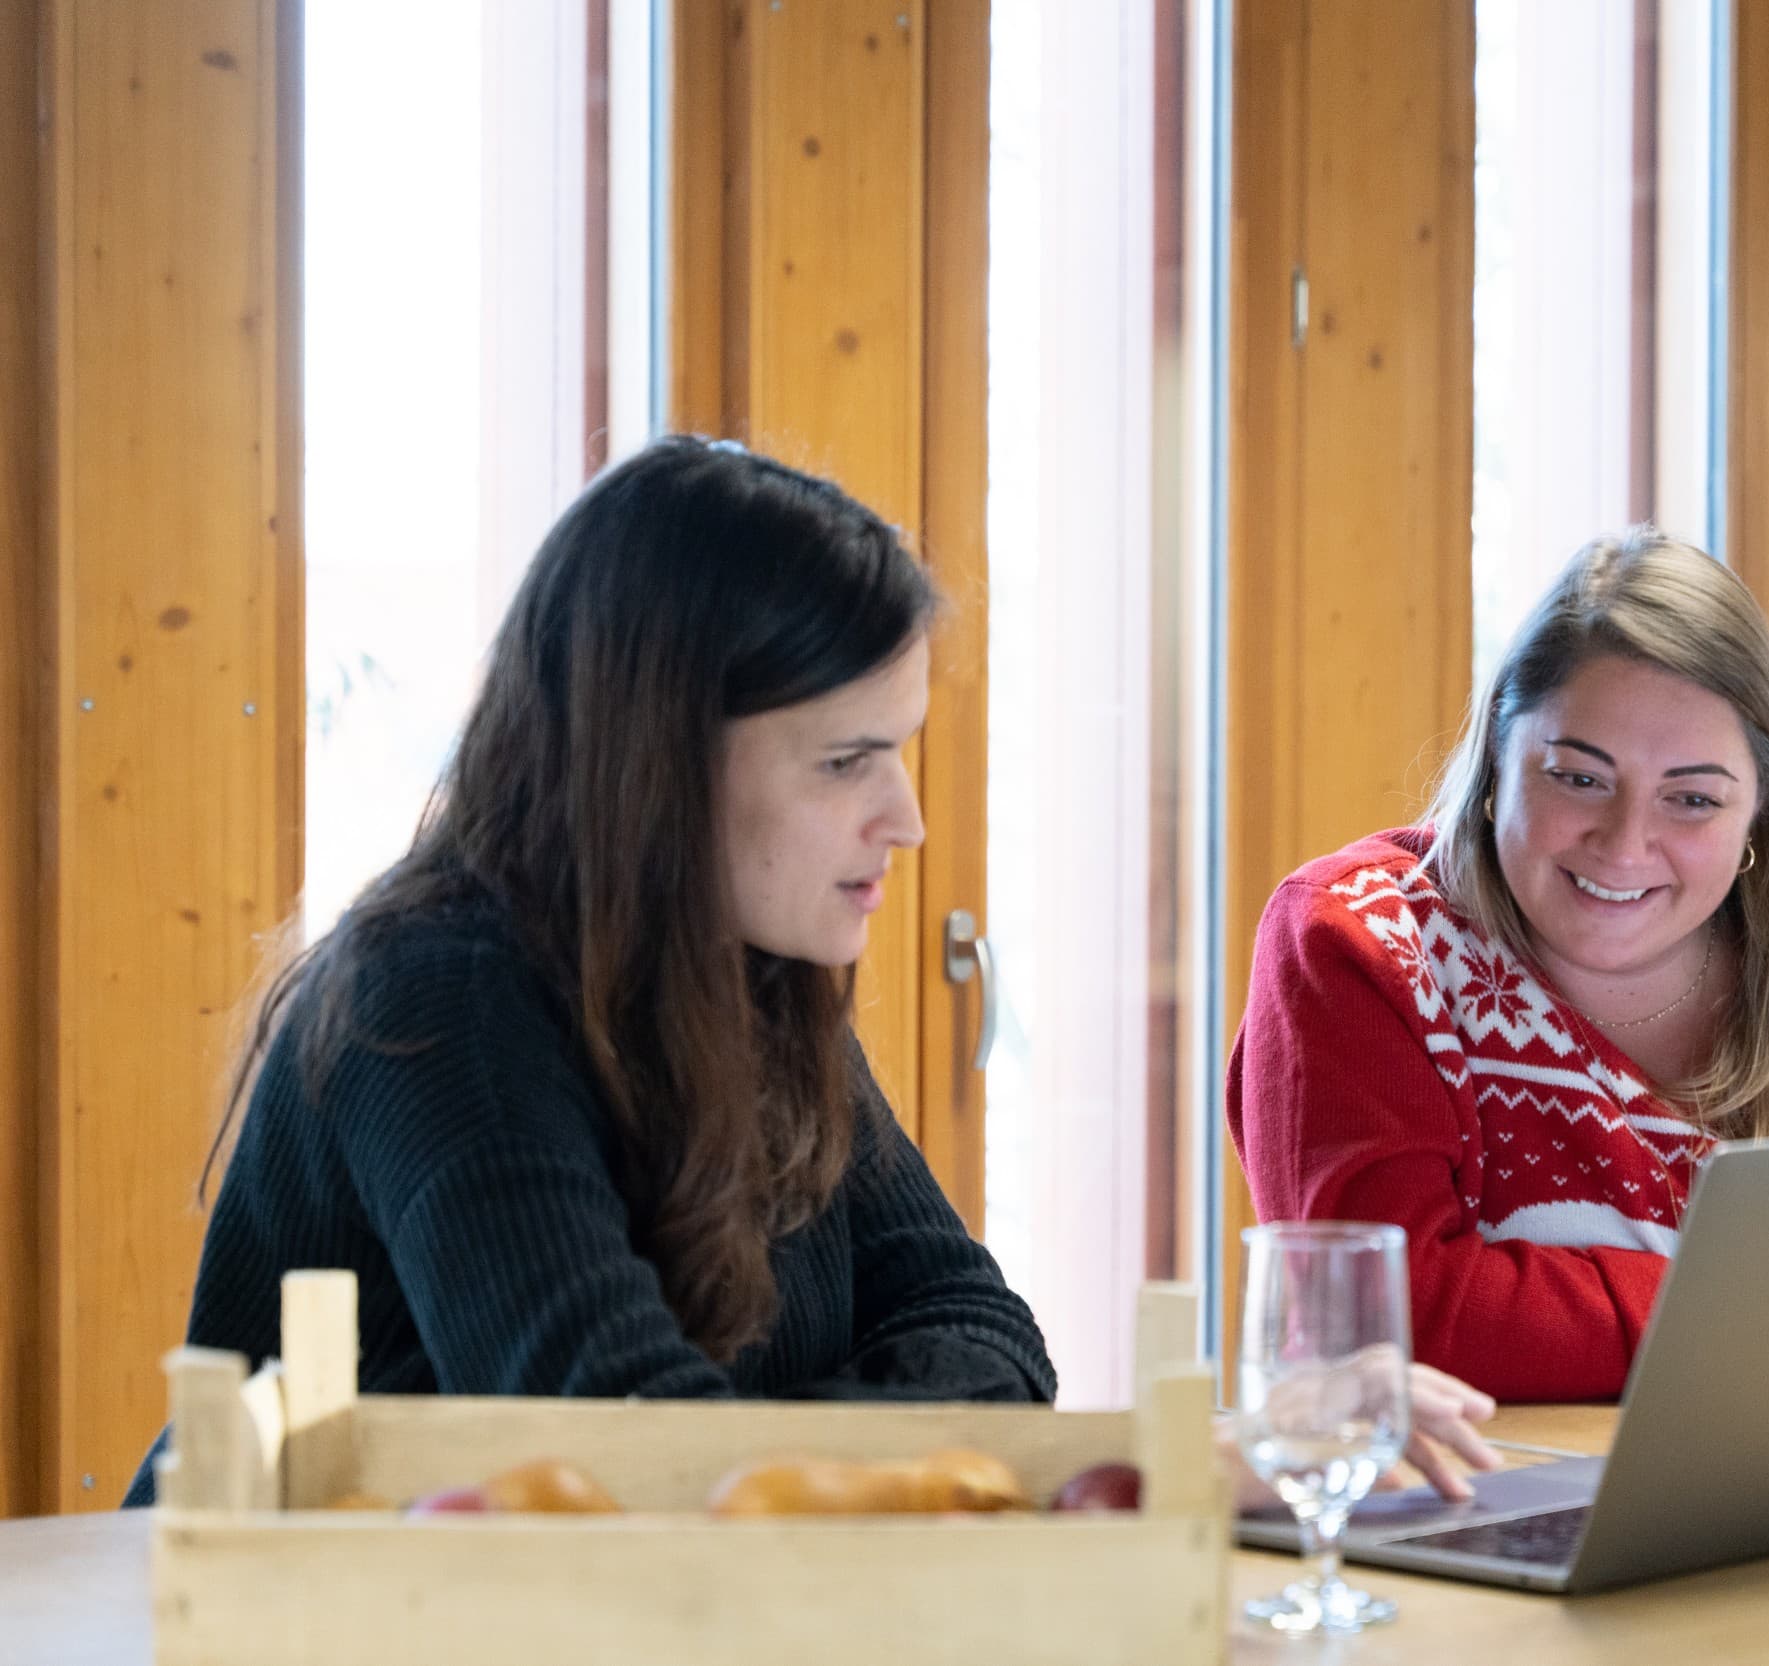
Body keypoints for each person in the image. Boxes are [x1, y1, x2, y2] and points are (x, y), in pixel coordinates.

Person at [128, 436, 1493, 1507]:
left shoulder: (745, 972)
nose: (905, 819)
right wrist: (1116, 1462)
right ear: (655, 765)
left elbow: (986, 1334)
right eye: (847, 761)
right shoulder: (437, 1001)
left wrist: (793, 1453)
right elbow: (630, 1462)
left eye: (898, 750)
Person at [1228, 531, 1769, 1403]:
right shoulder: (1361, 947)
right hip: (1506, 1493)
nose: (1625, 845)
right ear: (1496, 760)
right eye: (1578, 778)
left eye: (1692, 799)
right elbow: (1386, 1319)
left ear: (1760, 813)